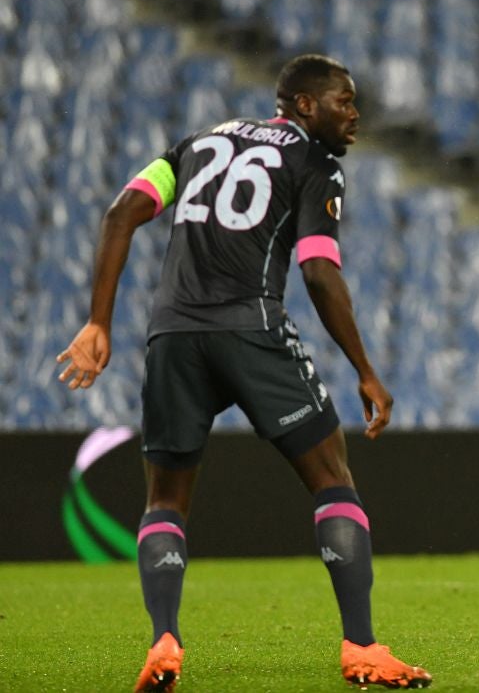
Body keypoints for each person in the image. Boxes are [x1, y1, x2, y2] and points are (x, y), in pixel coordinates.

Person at [56, 54, 432, 691]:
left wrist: (98, 323)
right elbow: (317, 269)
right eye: (344, 102)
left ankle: (164, 639)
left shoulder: (194, 146)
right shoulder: (315, 164)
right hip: (251, 331)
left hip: (172, 336)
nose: (355, 115)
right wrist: (365, 369)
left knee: (166, 499)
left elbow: (121, 213)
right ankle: (362, 647)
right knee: (332, 477)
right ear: (305, 106)